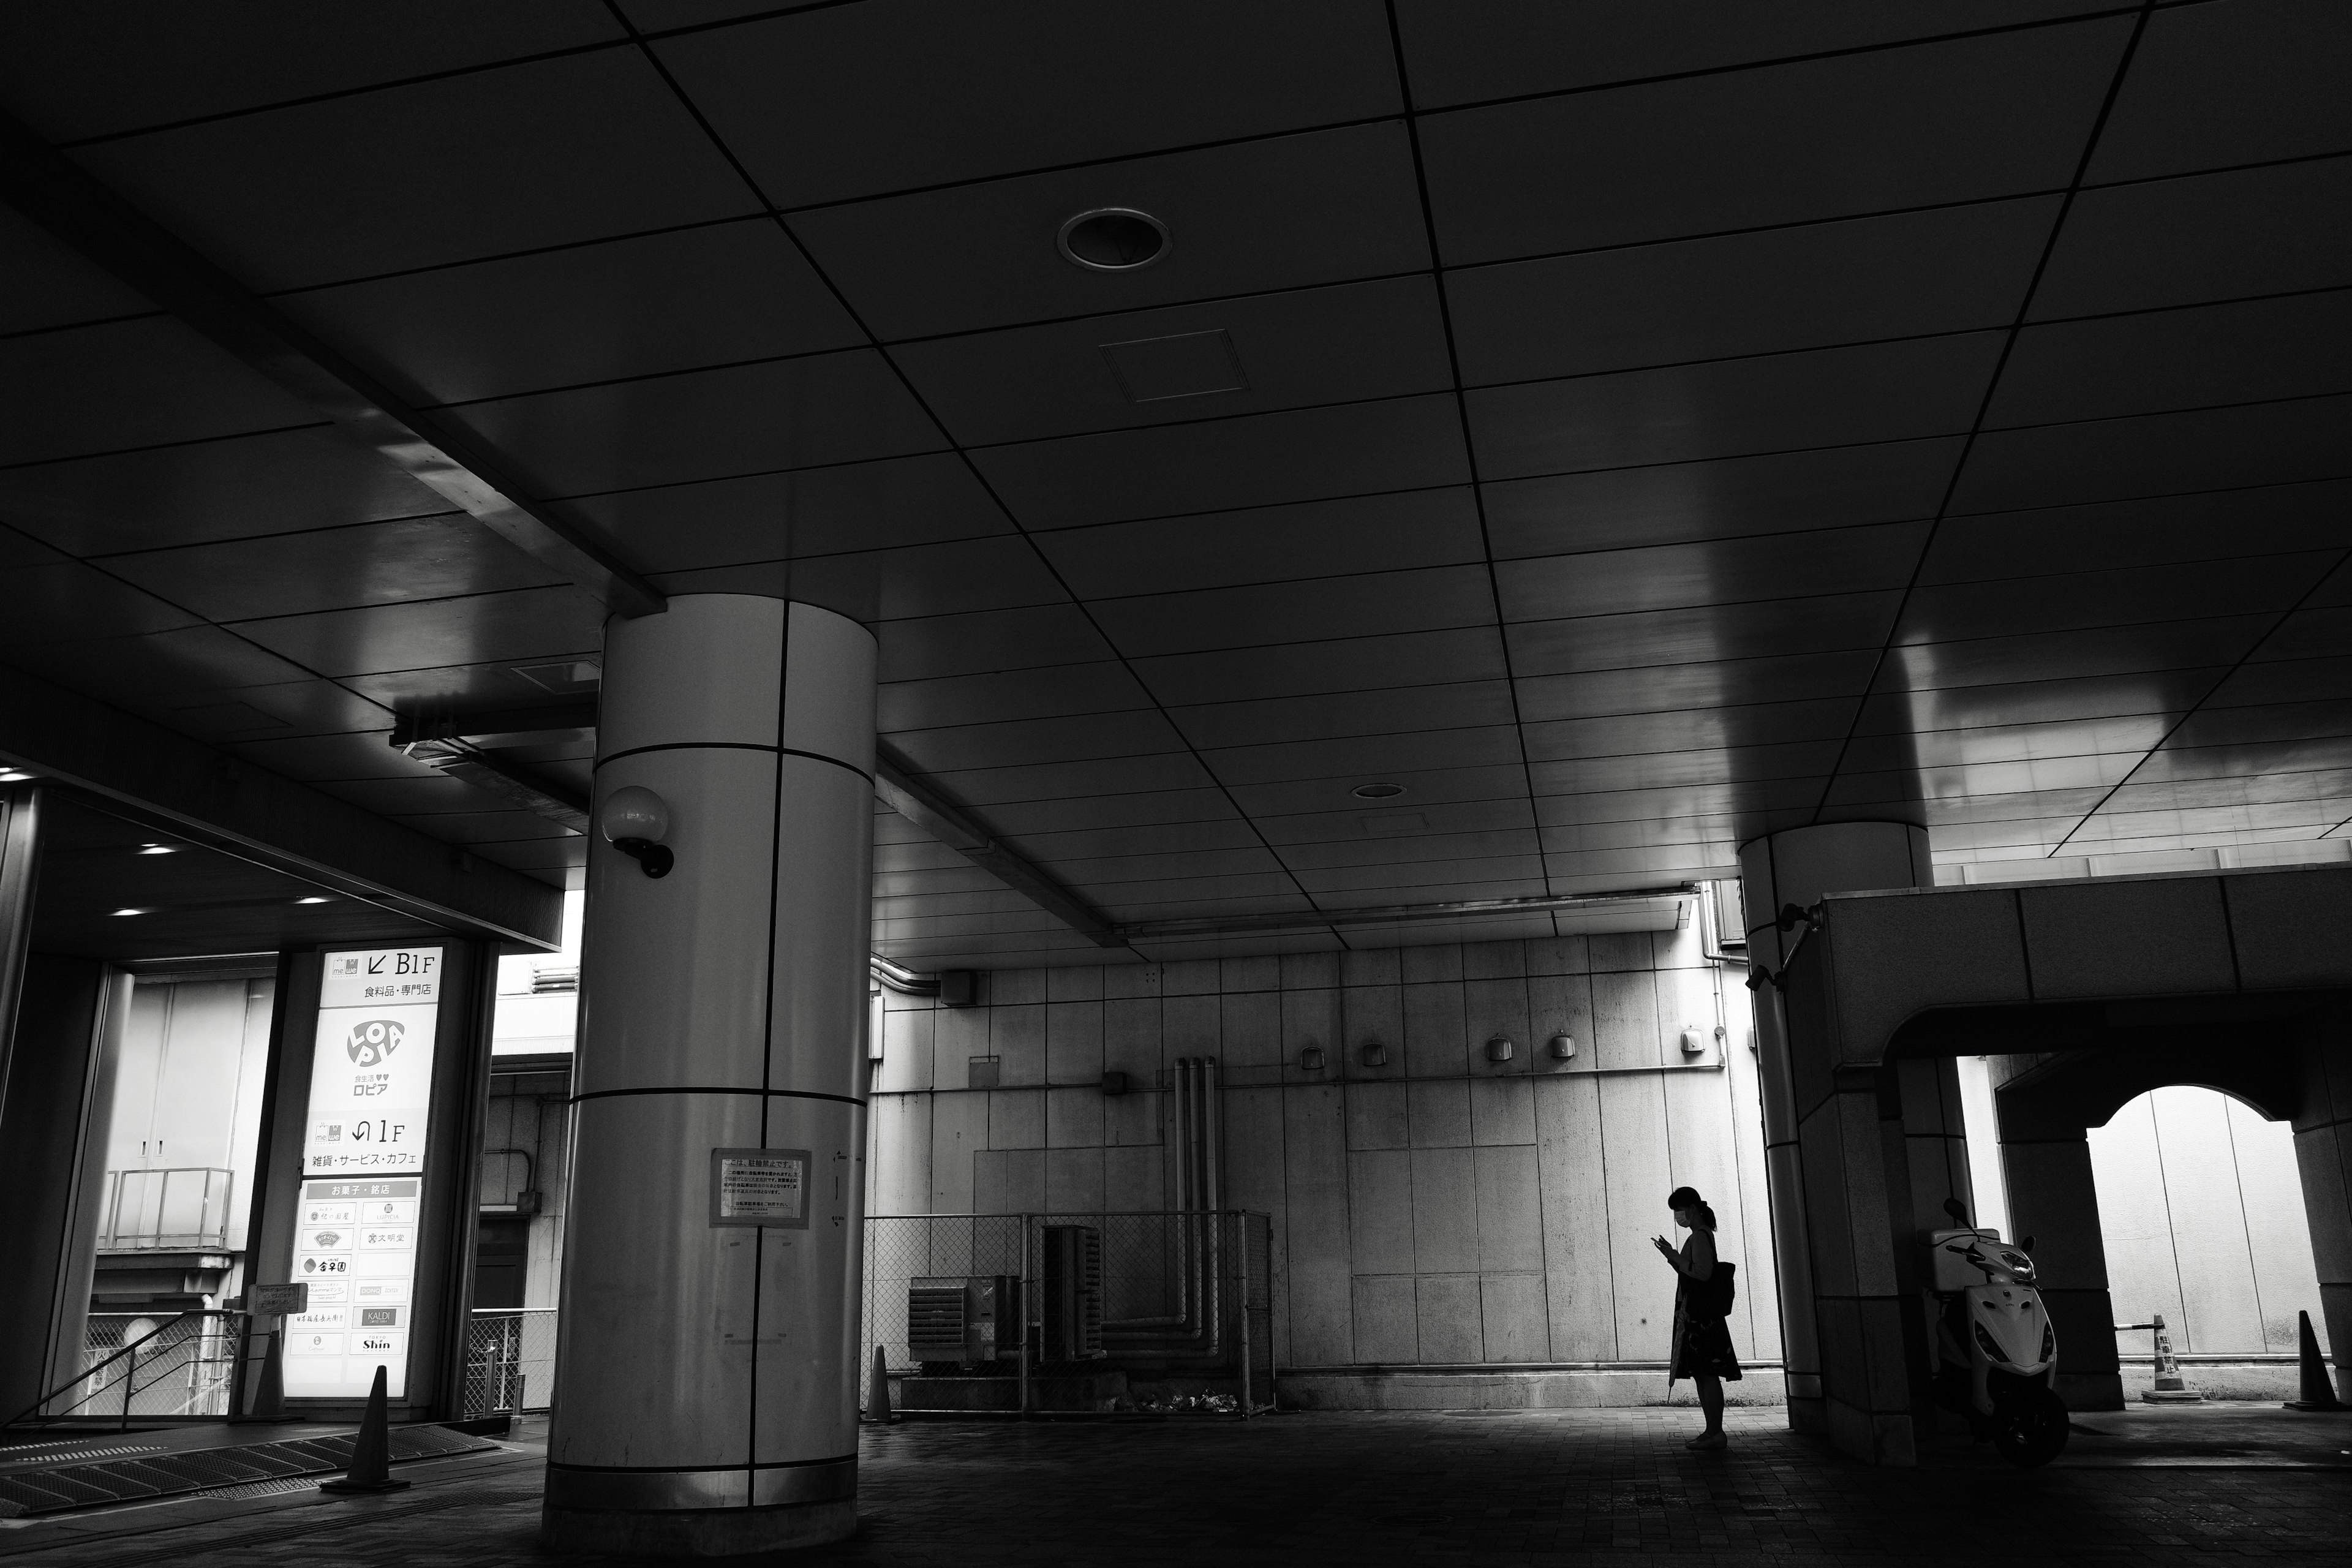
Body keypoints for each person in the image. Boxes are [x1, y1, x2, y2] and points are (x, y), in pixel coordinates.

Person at [1652, 1184, 1740, 1449]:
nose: (1678, 1216)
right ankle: (1712, 1431)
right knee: (1704, 1374)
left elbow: (1703, 1273)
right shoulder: (1699, 1235)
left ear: (1692, 1209)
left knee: (1707, 1374)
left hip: (1701, 1319)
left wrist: (1675, 1257)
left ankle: (1715, 1432)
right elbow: (1693, 1270)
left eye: (1679, 1210)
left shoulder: (1700, 1236)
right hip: (1699, 1316)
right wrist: (1674, 1257)